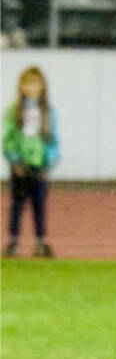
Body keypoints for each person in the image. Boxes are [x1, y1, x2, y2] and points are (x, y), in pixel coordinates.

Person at [3, 65, 60, 258]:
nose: (31, 88)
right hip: (20, 167)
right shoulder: (13, 111)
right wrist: (14, 160)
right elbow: (8, 138)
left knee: (39, 206)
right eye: (27, 84)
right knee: (17, 205)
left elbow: (53, 140)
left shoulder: (48, 113)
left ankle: (40, 242)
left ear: (42, 86)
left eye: (35, 84)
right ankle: (13, 242)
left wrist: (49, 162)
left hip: (39, 166)